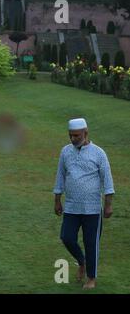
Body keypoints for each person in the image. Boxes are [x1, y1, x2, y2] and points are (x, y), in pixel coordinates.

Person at [53, 118, 115, 289]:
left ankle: (91, 279)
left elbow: (107, 180)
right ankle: (82, 261)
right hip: (72, 207)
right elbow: (60, 176)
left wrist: (108, 204)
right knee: (66, 237)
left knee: (91, 244)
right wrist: (57, 200)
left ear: (86, 133)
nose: (73, 139)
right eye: (70, 136)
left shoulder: (99, 153)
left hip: (93, 209)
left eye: (76, 135)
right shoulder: (65, 152)